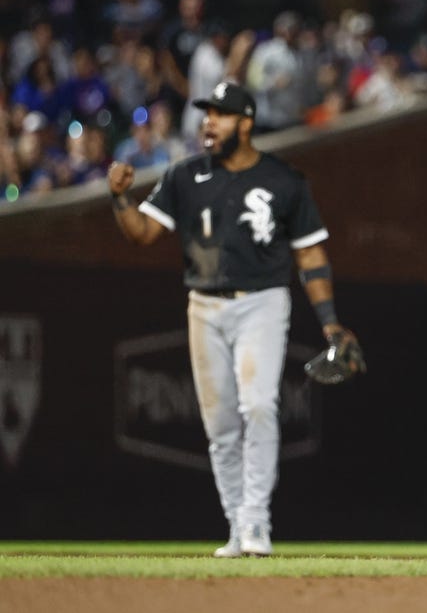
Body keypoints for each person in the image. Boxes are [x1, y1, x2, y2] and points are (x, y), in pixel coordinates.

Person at [106, 80, 357, 557]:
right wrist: (120, 199)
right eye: (207, 113)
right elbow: (142, 233)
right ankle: (237, 523)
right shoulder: (184, 176)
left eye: (220, 114)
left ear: (245, 122)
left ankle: (257, 523)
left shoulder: (284, 180)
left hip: (262, 301)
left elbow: (311, 256)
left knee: (259, 405)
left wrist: (329, 322)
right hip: (204, 305)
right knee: (219, 423)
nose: (208, 121)